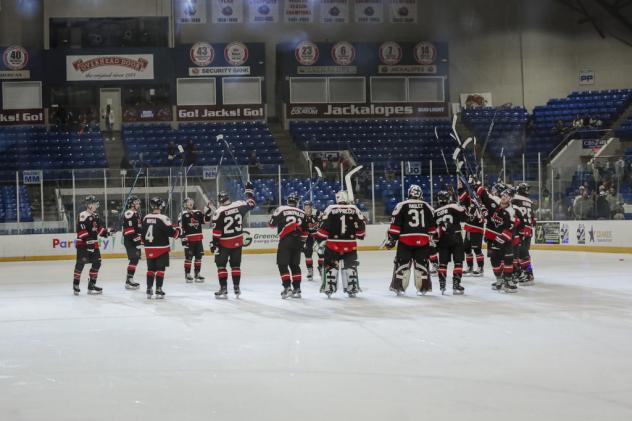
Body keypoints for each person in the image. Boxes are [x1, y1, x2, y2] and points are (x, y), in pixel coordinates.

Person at [385, 184, 436, 296]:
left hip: (405, 240)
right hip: (423, 240)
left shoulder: (401, 205)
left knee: (402, 264)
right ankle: (424, 288)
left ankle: (399, 287)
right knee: (422, 265)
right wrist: (432, 239)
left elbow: (395, 225)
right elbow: (433, 227)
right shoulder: (427, 206)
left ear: (409, 194)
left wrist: (392, 240)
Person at [315, 190, 366, 298]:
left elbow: (323, 230)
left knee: (331, 265)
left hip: (333, 244)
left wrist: (319, 240)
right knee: (350, 266)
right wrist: (359, 234)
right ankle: (352, 287)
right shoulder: (355, 209)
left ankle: (329, 287)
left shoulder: (330, 208)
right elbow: (361, 232)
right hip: (350, 244)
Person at [211, 182, 256, 299]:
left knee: (221, 266)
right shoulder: (239, 205)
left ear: (220, 200)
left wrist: (214, 243)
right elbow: (251, 203)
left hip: (224, 243)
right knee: (236, 266)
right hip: (237, 242)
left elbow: (217, 233)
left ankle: (224, 289)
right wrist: (249, 192)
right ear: (228, 198)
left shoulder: (219, 212)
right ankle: (236, 287)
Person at [475, 180, 517, 293]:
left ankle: (508, 279)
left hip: (505, 240)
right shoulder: (495, 202)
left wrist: (501, 239)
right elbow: (484, 195)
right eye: (503, 195)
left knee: (508, 259)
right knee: (494, 260)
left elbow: (510, 228)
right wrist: (477, 184)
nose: (504, 197)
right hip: (492, 238)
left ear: (510, 199)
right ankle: (499, 279)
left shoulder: (511, 212)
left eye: (507, 196)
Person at [269, 193, 309, 298]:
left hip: (286, 240)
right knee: (295, 266)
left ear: (288, 201)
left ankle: (287, 287)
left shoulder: (281, 209)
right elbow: (306, 232)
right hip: (298, 242)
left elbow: (271, 224)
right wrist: (302, 243)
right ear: (297, 202)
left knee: (282, 265)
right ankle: (297, 289)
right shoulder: (302, 212)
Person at [142, 198, 181, 299]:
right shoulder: (164, 218)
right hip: (161, 248)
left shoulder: (145, 217)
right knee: (160, 269)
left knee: (150, 269)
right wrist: (178, 229)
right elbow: (173, 234)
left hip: (149, 248)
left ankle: (149, 289)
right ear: (160, 206)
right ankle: (158, 289)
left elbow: (142, 233)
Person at [72, 196, 110, 295]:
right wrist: (88, 242)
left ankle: (91, 285)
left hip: (94, 244)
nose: (96, 205)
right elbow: (81, 231)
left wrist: (107, 232)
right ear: (89, 205)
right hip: (83, 245)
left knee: (97, 263)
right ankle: (76, 284)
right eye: (94, 203)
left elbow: (99, 229)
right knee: (80, 264)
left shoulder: (96, 216)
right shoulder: (82, 215)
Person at [433, 190, 467, 295]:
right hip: (456, 237)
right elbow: (465, 216)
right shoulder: (453, 206)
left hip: (442, 240)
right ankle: (456, 285)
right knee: (458, 262)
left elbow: (433, 229)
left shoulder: (434, 212)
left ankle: (442, 285)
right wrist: (462, 206)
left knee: (442, 264)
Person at [178, 197, 213, 283]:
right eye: (188, 202)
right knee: (189, 258)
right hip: (189, 240)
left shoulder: (198, 212)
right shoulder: (182, 214)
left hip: (198, 240)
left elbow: (206, 221)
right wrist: (183, 238)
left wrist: (208, 212)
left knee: (198, 257)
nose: (190, 203)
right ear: (185, 204)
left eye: (191, 202)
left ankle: (197, 274)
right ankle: (187, 274)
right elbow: (180, 227)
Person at [459, 185, 485, 277]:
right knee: (467, 248)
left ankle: (480, 268)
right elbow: (460, 199)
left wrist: (480, 207)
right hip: (468, 228)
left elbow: (484, 215)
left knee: (477, 249)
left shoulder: (482, 202)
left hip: (477, 229)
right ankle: (470, 267)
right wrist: (466, 190)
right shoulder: (468, 200)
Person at [512, 183, 535, 285]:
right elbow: (533, 219)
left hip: (520, 229)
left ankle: (528, 273)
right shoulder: (530, 201)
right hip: (528, 230)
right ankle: (521, 272)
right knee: (522, 253)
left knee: (521, 253)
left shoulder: (515, 198)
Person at [122, 196, 142, 290]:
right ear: (132, 204)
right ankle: (129, 280)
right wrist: (136, 238)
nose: (138, 204)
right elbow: (129, 229)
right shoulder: (129, 213)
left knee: (136, 259)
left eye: (138, 202)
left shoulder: (136, 213)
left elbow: (138, 228)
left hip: (135, 240)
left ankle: (129, 279)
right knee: (134, 259)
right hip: (130, 240)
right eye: (136, 203)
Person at [302, 201, 322, 282]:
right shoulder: (302, 214)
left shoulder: (317, 212)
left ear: (311, 207)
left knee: (321, 253)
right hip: (308, 236)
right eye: (305, 206)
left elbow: (324, 220)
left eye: (308, 206)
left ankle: (321, 269)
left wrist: (318, 225)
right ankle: (310, 271)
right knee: (308, 253)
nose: (307, 208)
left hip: (317, 235)